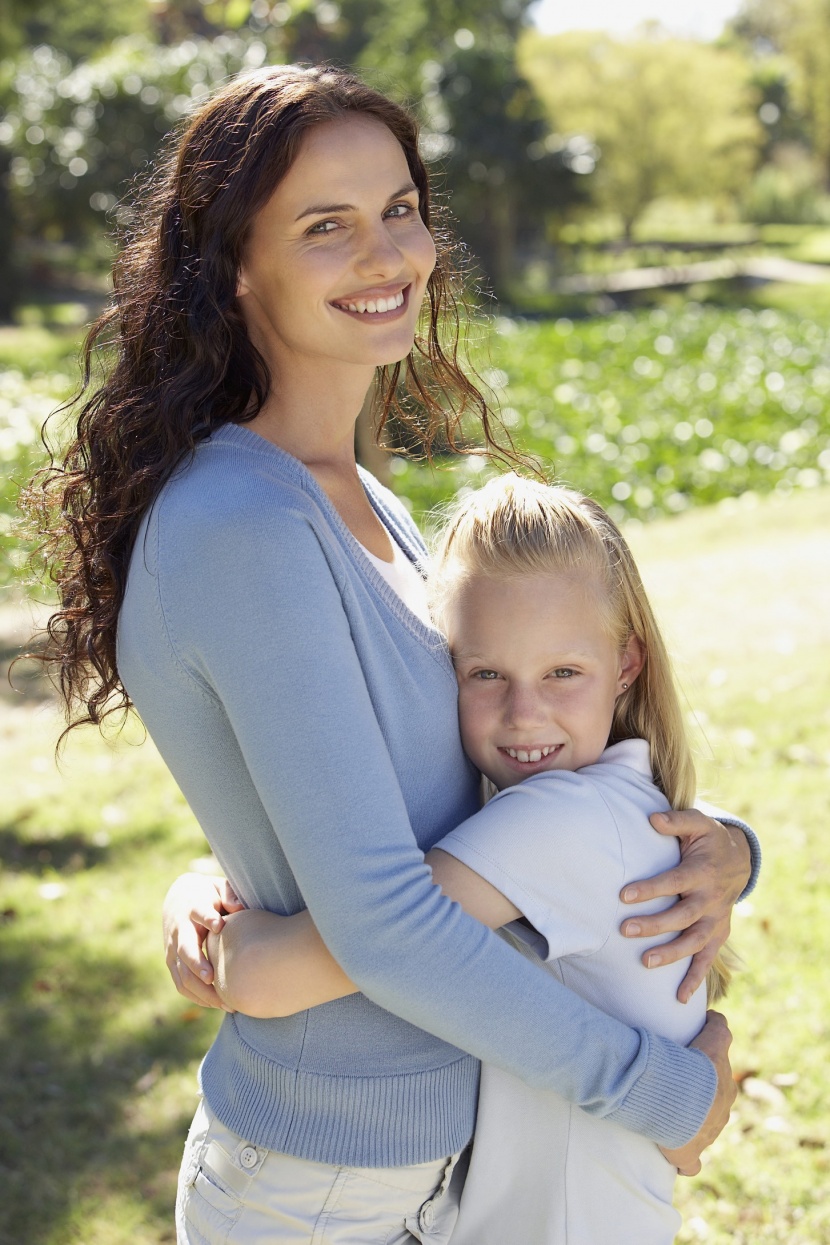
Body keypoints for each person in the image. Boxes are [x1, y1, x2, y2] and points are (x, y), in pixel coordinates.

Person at [27, 62, 759, 1244]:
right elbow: (380, 919)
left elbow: (470, 786)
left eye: (400, 210)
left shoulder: (363, 499)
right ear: (233, 267)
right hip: (318, 1180)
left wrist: (720, 850)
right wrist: (662, 1093)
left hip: (445, 1160)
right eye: (327, 227)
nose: (389, 256)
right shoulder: (245, 527)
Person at [201, 474, 737, 1243]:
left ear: (626, 664)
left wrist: (222, 930)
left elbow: (272, 975)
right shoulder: (604, 795)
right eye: (485, 672)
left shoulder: (559, 819)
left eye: (563, 672)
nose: (525, 716)